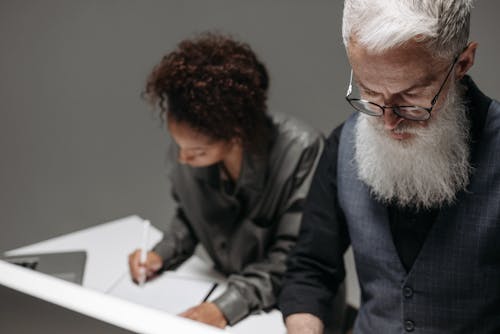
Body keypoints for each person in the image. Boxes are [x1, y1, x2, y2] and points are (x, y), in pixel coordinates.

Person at [279, 1, 500, 333]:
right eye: (369, 92)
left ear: (462, 63)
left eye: (410, 97)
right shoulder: (344, 143)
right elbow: (311, 268)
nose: (387, 120)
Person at [127, 33, 324, 329]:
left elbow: (296, 257)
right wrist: (161, 253)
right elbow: (191, 216)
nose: (182, 159)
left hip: (289, 313)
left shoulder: (301, 151)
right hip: (222, 292)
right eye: (178, 145)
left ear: (235, 133)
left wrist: (227, 306)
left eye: (197, 151)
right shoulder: (188, 149)